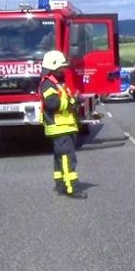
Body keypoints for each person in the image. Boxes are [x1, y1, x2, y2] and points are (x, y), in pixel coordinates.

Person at [39, 50, 86, 198]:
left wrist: (74, 100)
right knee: (67, 157)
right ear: (53, 67)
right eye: (61, 67)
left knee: (60, 157)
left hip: (63, 126)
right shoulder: (48, 84)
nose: (63, 70)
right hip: (60, 126)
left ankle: (60, 184)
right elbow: (52, 103)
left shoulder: (55, 83)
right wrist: (73, 101)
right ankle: (71, 187)